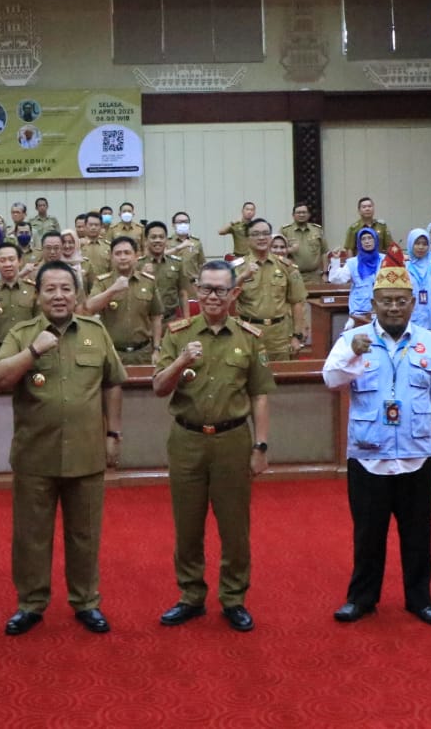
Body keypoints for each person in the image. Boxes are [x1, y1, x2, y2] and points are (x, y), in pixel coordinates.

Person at [0, 261, 126, 636]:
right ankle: (31, 604)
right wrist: (33, 350)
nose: (59, 295)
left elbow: (114, 382)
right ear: (38, 295)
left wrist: (113, 433)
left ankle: (86, 602)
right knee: (31, 534)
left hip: (87, 452)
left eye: (66, 288)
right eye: (50, 289)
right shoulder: (22, 333)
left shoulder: (96, 333)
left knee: (84, 534)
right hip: (36, 454)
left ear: (77, 293)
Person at [322, 246, 431, 627]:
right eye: (386, 302)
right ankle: (361, 599)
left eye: (400, 301)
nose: (393, 308)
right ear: (374, 303)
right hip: (368, 455)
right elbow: (331, 379)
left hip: (415, 453)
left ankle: (420, 599)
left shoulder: (429, 343)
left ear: (413, 303)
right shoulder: (356, 338)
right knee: (368, 535)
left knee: (417, 534)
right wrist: (350, 353)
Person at [152, 259, 275, 631]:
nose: (212, 296)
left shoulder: (249, 337)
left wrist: (262, 446)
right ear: (196, 290)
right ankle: (190, 596)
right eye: (205, 288)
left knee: (235, 527)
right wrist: (181, 361)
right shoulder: (178, 333)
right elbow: (158, 387)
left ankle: (234, 598)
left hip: (233, 440)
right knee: (187, 525)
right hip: (187, 438)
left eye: (220, 289)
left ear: (234, 293)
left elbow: (260, 396)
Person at [80, 235, 164, 365]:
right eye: (118, 253)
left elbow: (156, 316)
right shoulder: (103, 282)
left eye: (127, 253)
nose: (123, 257)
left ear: (136, 256)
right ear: (111, 257)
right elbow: (89, 308)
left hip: (143, 353)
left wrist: (157, 349)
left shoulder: (148, 282)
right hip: (112, 352)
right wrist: (113, 290)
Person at [235, 218, 310, 359]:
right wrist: (242, 277)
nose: (261, 237)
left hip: (279, 335)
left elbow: (297, 302)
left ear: (270, 237)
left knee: (281, 376)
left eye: (265, 233)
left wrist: (297, 335)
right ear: (247, 239)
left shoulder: (287, 266)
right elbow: (226, 299)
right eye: (256, 234)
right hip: (247, 332)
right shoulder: (238, 268)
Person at [328, 227, 382, 329]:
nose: (367, 241)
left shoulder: (384, 260)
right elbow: (337, 280)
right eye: (363, 239)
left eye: (370, 238)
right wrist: (335, 260)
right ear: (359, 243)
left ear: (375, 240)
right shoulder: (353, 262)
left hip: (381, 312)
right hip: (358, 313)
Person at [142, 221, 191, 318]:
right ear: (146, 241)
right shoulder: (138, 265)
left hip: (170, 320)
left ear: (166, 240)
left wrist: (186, 319)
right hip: (146, 322)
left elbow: (182, 293)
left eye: (161, 237)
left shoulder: (177, 263)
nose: (158, 240)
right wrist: (142, 275)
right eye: (153, 237)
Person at [280, 203, 326, 284]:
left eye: (304, 212)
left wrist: (325, 273)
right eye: (298, 212)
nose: (301, 215)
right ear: (293, 215)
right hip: (293, 275)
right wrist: (291, 250)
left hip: (314, 276)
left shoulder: (317, 230)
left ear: (309, 215)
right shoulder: (285, 231)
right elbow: (277, 253)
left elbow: (324, 252)